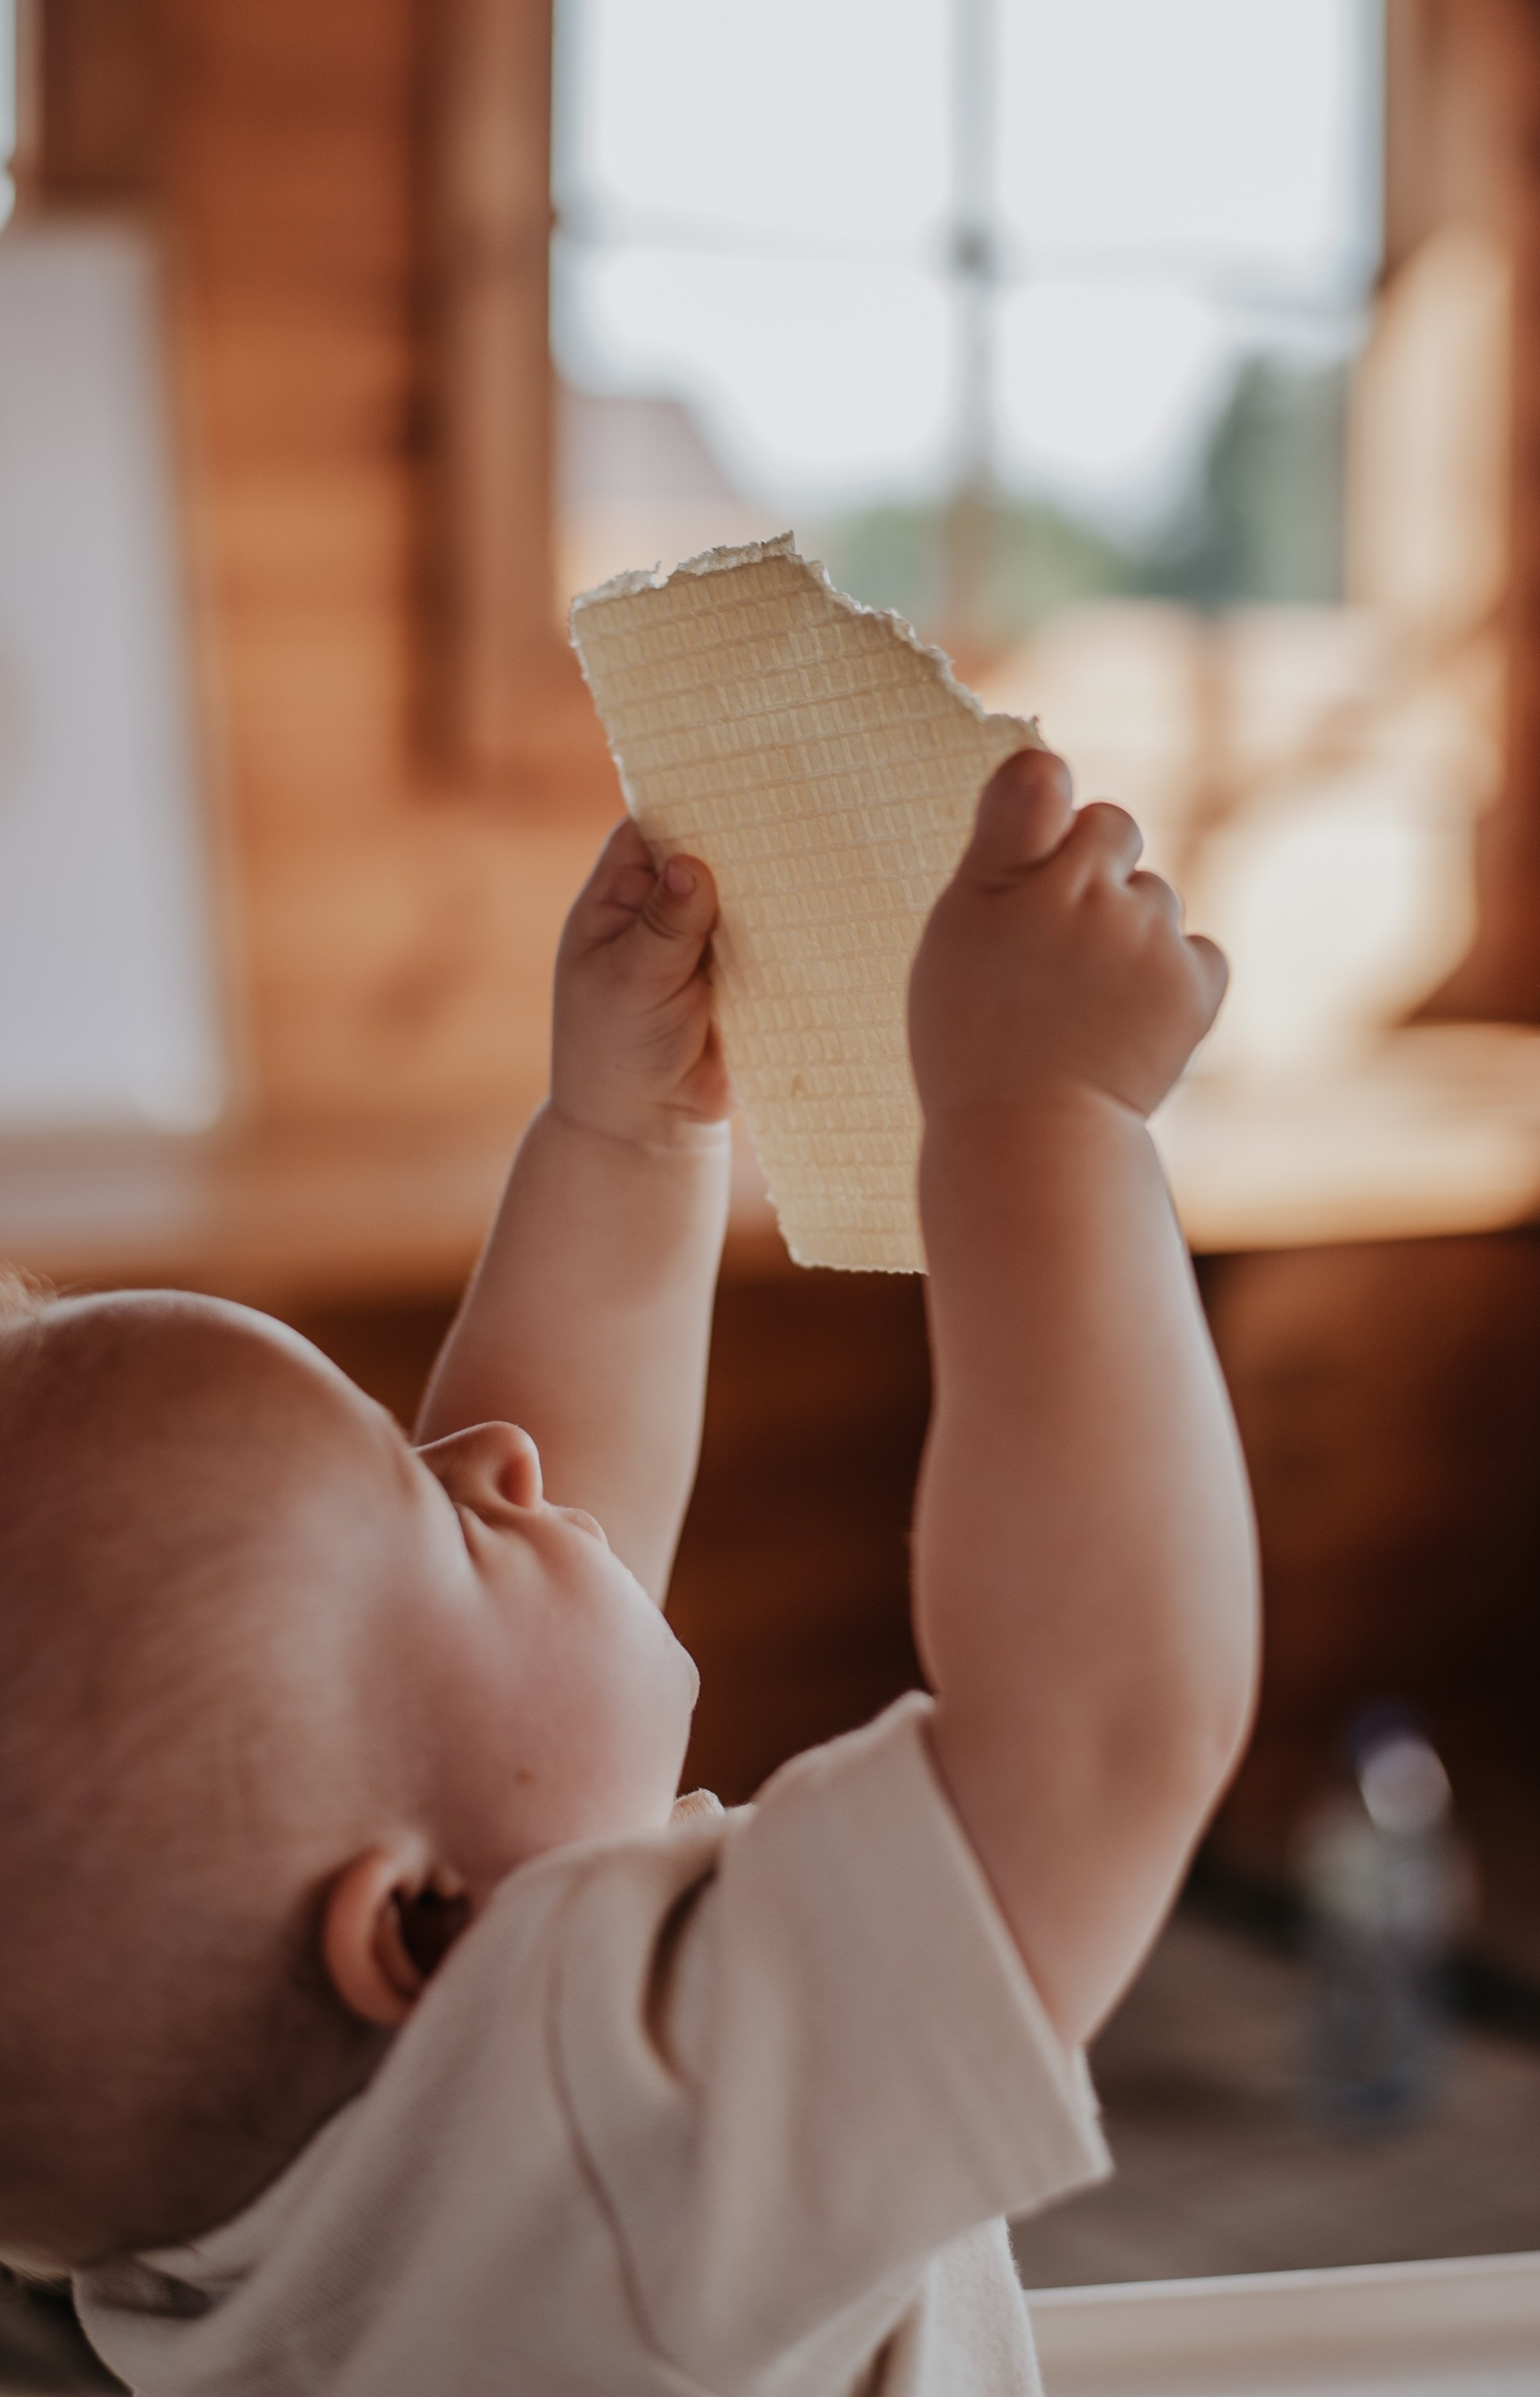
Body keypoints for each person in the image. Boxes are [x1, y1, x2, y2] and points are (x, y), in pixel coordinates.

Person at [0, 747, 1257, 2395]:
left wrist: (626, 1135)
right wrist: (1043, 1115)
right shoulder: (627, 2171)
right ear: (415, 1928)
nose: (499, 1455)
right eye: (440, 1507)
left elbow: (502, 1696)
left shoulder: (219, 2234)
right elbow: (1097, 1732)